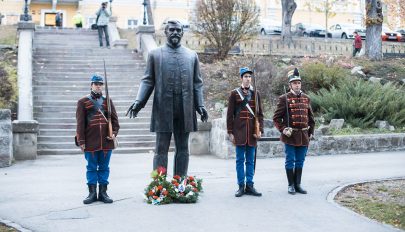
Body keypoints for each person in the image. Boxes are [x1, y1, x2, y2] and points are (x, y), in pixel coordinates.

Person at [126, 19, 208, 177]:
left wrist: (200, 106)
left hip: (185, 108)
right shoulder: (155, 54)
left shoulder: (191, 55)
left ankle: (180, 183)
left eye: (178, 30)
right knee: (161, 148)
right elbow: (148, 80)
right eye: (172, 30)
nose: (175, 33)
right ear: (165, 32)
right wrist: (139, 102)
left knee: (183, 148)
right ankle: (159, 185)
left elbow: (197, 83)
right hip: (163, 108)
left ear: (182, 32)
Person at [76, 74, 120, 204]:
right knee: (91, 167)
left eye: (100, 84)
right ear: (91, 85)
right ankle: (91, 193)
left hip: (107, 141)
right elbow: (80, 124)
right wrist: (81, 141)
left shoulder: (108, 101)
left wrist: (114, 133)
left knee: (104, 168)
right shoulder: (82, 102)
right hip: (90, 141)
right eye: (96, 84)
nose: (99, 86)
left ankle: (103, 193)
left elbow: (115, 122)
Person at [273, 68, 315, 195]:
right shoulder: (284, 98)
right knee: (290, 160)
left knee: (301, 160)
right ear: (290, 85)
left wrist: (311, 131)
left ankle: (298, 184)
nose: (297, 85)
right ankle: (290, 185)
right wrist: (283, 129)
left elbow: (311, 117)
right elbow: (276, 118)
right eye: (295, 83)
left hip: (303, 135)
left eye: (299, 83)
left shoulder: (306, 98)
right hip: (290, 135)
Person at [226, 67, 264, 197]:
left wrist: (260, 130)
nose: (248, 79)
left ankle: (250, 185)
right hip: (239, 132)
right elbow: (229, 114)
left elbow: (260, 114)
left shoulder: (256, 93)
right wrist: (230, 132)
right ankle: (241, 186)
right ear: (241, 78)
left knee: (250, 161)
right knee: (239, 160)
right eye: (246, 76)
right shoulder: (234, 93)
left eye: (249, 76)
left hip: (252, 132)